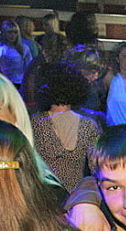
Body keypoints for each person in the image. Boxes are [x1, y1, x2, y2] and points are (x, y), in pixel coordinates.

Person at [32, 62, 99, 191]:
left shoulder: (36, 123)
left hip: (44, 195)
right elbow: (96, 168)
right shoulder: (89, 125)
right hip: (76, 197)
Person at [0, 0, 33, 88]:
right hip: (4, 83)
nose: (12, 35)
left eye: (15, 32)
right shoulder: (1, 47)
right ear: (5, 33)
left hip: (20, 83)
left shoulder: (24, 48)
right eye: (9, 32)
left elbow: (29, 68)